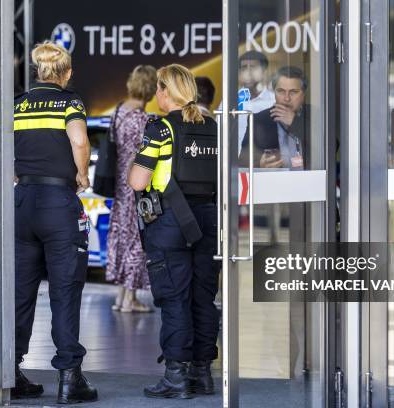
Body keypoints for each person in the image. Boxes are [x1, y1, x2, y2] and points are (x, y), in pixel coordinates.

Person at [12, 41, 97, 404]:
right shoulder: (69, 101)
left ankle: (9, 371)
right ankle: (69, 378)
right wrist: (82, 174)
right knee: (64, 289)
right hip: (57, 204)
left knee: (19, 292)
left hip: (22, 202)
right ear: (67, 72)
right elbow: (79, 141)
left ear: (37, 71)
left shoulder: (19, 104)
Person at [128, 64, 220, 399]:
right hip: (209, 221)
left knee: (175, 299)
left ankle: (176, 376)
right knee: (203, 298)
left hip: (172, 224)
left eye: (159, 89)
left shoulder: (161, 129)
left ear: (167, 92)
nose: (156, 94)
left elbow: (137, 181)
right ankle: (202, 373)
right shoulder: (213, 126)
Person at [106, 65, 157, 313]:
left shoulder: (118, 111)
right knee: (137, 239)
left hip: (119, 186)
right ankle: (130, 298)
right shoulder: (143, 120)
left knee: (121, 236)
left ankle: (120, 296)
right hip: (137, 185)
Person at [240, 65, 311, 169]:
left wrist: (296, 122)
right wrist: (259, 165)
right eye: (281, 91)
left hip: (311, 181)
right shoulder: (259, 119)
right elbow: (242, 162)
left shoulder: (316, 114)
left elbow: (332, 148)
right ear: (274, 92)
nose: (286, 98)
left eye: (293, 92)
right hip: (274, 182)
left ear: (304, 94)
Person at [235, 51, 275, 151]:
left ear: (264, 71)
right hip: (236, 162)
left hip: (267, 159)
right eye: (244, 68)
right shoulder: (230, 100)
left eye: (253, 67)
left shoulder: (274, 100)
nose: (248, 72)